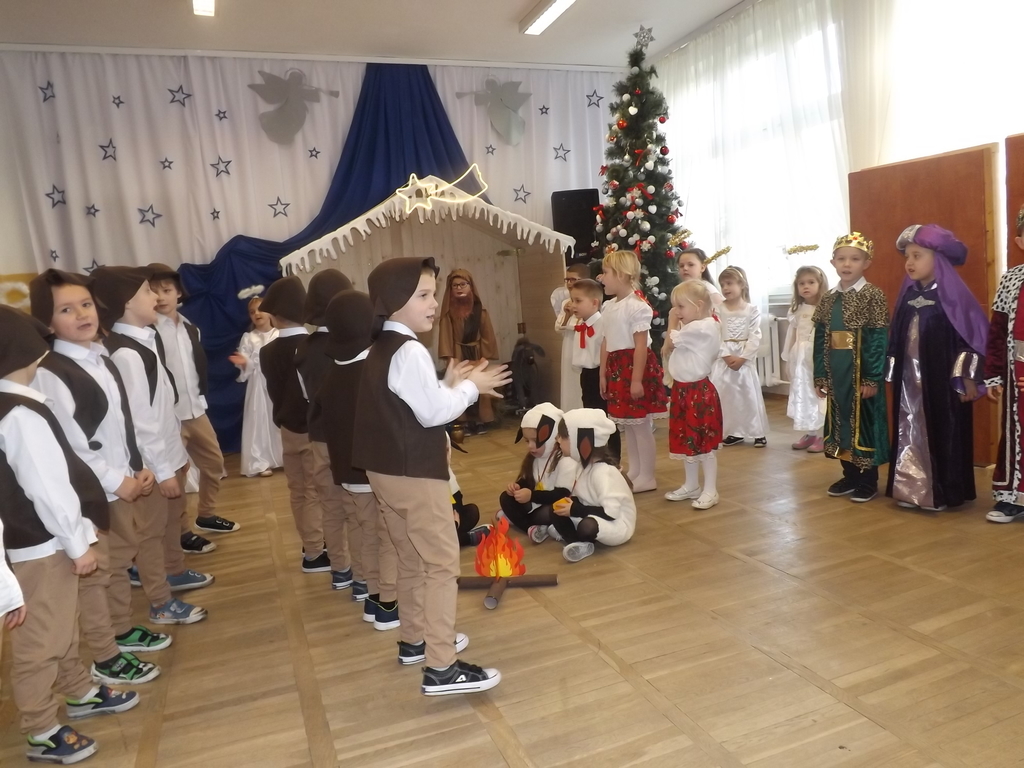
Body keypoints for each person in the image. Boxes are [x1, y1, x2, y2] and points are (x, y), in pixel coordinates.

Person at [353, 256, 510, 696]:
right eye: (422, 294)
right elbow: (431, 413)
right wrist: (471, 389)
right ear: (394, 300)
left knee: (410, 557)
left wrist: (447, 384)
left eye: (433, 293)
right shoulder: (408, 351)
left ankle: (415, 639)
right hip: (415, 474)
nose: (433, 302)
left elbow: (411, 404)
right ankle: (441, 666)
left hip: (386, 473)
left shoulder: (383, 347)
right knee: (441, 564)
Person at [0, 305, 139, 765]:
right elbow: (48, 488)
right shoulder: (20, 414)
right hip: (41, 546)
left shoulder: (17, 406)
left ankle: (78, 689)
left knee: (61, 626)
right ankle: (41, 727)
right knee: (41, 640)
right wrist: (78, 545)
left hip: (40, 543)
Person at [29, 269, 165, 686]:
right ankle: (105, 655)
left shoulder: (100, 357)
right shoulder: (52, 371)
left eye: (85, 305)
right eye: (66, 310)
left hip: (120, 483)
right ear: (47, 320)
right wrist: (116, 481)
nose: (82, 315)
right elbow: (72, 445)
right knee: (97, 577)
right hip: (92, 493)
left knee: (119, 562)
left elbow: (121, 422)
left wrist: (137, 466)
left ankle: (121, 631)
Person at [93, 266, 211, 624]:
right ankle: (160, 601)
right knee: (151, 533)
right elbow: (140, 423)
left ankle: (174, 571)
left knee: (171, 521)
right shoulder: (126, 354)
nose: (156, 297)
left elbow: (161, 406)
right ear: (127, 302)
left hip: (169, 453)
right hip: (152, 463)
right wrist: (162, 470)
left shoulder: (146, 338)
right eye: (148, 291)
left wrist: (177, 454)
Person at [887, 225, 987, 511]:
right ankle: (910, 488)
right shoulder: (907, 297)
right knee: (909, 428)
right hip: (909, 383)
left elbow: (971, 338)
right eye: (907, 256)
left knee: (943, 432)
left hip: (942, 383)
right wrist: (892, 369)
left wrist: (967, 378)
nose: (909, 262)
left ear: (938, 260)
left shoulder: (953, 297)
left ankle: (941, 492)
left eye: (917, 256)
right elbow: (896, 337)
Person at [318, 289, 399, 625]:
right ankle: (387, 604)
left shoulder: (331, 373)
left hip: (347, 473)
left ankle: (369, 593)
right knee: (387, 537)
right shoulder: (372, 371)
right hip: (374, 472)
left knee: (365, 532)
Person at [149, 263, 239, 538]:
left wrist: (199, 399)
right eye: (154, 291)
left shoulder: (190, 328)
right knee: (176, 475)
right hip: (169, 416)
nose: (161, 297)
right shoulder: (149, 331)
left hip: (195, 411)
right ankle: (182, 532)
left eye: (167, 290)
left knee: (214, 464)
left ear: (179, 292)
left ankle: (206, 514)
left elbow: (195, 368)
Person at [813, 233, 890, 503]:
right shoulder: (828, 298)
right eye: (842, 259)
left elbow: (878, 339)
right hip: (837, 370)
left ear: (866, 263)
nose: (847, 264)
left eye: (855, 259)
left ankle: (868, 480)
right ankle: (849, 474)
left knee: (863, 424)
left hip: (860, 371)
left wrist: (871, 377)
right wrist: (820, 375)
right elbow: (820, 338)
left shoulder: (872, 295)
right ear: (833, 262)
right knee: (841, 422)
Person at [259, 276, 325, 573]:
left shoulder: (266, 351)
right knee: (314, 492)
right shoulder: (310, 347)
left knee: (298, 491)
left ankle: (311, 543)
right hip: (312, 431)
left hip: (286, 429)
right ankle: (315, 552)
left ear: (273, 316)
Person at [296, 269, 357, 590]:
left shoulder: (303, 348)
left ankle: (340, 569)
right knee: (358, 507)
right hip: (350, 437)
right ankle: (365, 577)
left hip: (319, 435)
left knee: (330, 506)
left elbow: (307, 395)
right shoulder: (349, 345)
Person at [598, 249, 668, 493]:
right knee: (628, 424)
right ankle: (634, 471)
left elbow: (640, 346)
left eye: (606, 273)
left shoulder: (637, 306)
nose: (601, 278)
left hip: (634, 367)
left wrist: (636, 380)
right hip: (617, 367)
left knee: (640, 425)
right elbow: (606, 341)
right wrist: (603, 373)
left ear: (622, 275)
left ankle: (647, 476)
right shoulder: (608, 306)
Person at [662, 281, 723, 509]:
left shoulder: (702, 328)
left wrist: (671, 321)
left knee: (703, 443)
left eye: (680, 307)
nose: (676, 312)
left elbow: (670, 343)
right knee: (687, 438)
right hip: (683, 390)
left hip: (698, 392)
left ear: (698, 306)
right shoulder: (694, 326)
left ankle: (711, 490)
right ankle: (691, 485)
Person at [546, 408, 636, 562]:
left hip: (616, 523)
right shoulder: (583, 466)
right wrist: (571, 504)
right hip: (594, 512)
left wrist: (575, 509)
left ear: (580, 440)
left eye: (563, 436)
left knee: (587, 526)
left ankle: (580, 541)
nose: (558, 439)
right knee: (556, 509)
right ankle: (577, 542)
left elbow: (611, 513)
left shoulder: (604, 473)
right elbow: (585, 498)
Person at [986, 208, 1024, 523]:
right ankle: (1012, 497)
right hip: (1016, 372)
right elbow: (998, 329)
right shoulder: (1011, 278)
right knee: (1014, 433)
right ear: (1019, 241)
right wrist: (994, 374)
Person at [709, 266, 768, 447]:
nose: (725, 288)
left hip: (743, 358)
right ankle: (733, 431)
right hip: (724, 359)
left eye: (729, 283)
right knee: (726, 397)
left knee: (748, 395)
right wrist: (726, 355)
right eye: (722, 284)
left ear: (741, 284)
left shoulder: (751, 310)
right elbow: (716, 334)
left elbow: (755, 335)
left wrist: (743, 358)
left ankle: (757, 432)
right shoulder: (718, 310)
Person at [498, 402, 573, 542]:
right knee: (505, 498)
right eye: (527, 441)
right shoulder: (534, 458)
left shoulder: (565, 460)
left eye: (536, 441)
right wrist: (517, 486)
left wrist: (531, 495)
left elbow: (562, 494)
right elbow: (529, 481)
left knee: (551, 511)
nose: (530, 446)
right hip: (537, 501)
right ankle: (532, 527)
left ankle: (522, 522)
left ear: (552, 437)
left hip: (556, 503)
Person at [438, 269, 500, 434]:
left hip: (477, 354)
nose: (459, 288)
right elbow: (446, 336)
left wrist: (485, 357)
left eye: (462, 284)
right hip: (458, 354)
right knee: (459, 385)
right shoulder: (448, 315)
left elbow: (487, 335)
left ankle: (481, 420)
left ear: (470, 286)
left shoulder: (480, 312)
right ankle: (463, 422)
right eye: (455, 285)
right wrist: (450, 358)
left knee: (481, 384)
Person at [229, 296, 282, 478]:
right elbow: (248, 364)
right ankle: (260, 461)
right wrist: (244, 363)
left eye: (260, 309)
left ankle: (283, 457)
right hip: (258, 384)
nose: (257, 314)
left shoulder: (279, 334)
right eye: (252, 312)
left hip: (277, 383)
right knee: (259, 421)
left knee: (277, 420)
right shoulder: (249, 338)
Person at [569, 278, 620, 460]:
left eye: (578, 301)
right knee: (589, 415)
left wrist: (603, 375)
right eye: (572, 300)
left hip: (600, 374)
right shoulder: (581, 324)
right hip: (587, 374)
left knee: (605, 418)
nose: (573, 305)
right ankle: (594, 455)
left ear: (594, 303)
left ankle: (613, 458)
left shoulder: (602, 324)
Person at [783, 266, 829, 453]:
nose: (806, 286)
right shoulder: (797, 310)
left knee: (819, 394)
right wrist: (788, 358)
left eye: (811, 282)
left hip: (816, 357)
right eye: (801, 283)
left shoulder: (825, 309)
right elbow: (792, 335)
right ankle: (811, 432)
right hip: (800, 358)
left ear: (820, 284)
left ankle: (824, 434)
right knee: (805, 394)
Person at [552, 263, 589, 411]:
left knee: (582, 384)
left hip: (585, 347)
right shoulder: (565, 303)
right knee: (569, 382)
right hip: (569, 346)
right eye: (567, 280)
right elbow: (558, 328)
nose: (569, 283)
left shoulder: (591, 301)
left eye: (573, 279)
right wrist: (567, 315)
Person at [446, 435, 490, 547]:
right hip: (433, 525)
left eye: (446, 451)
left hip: (448, 523)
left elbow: (457, 505)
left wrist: (454, 520)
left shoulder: (448, 474)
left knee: (472, 511)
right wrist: (454, 524)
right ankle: (467, 538)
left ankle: (453, 538)